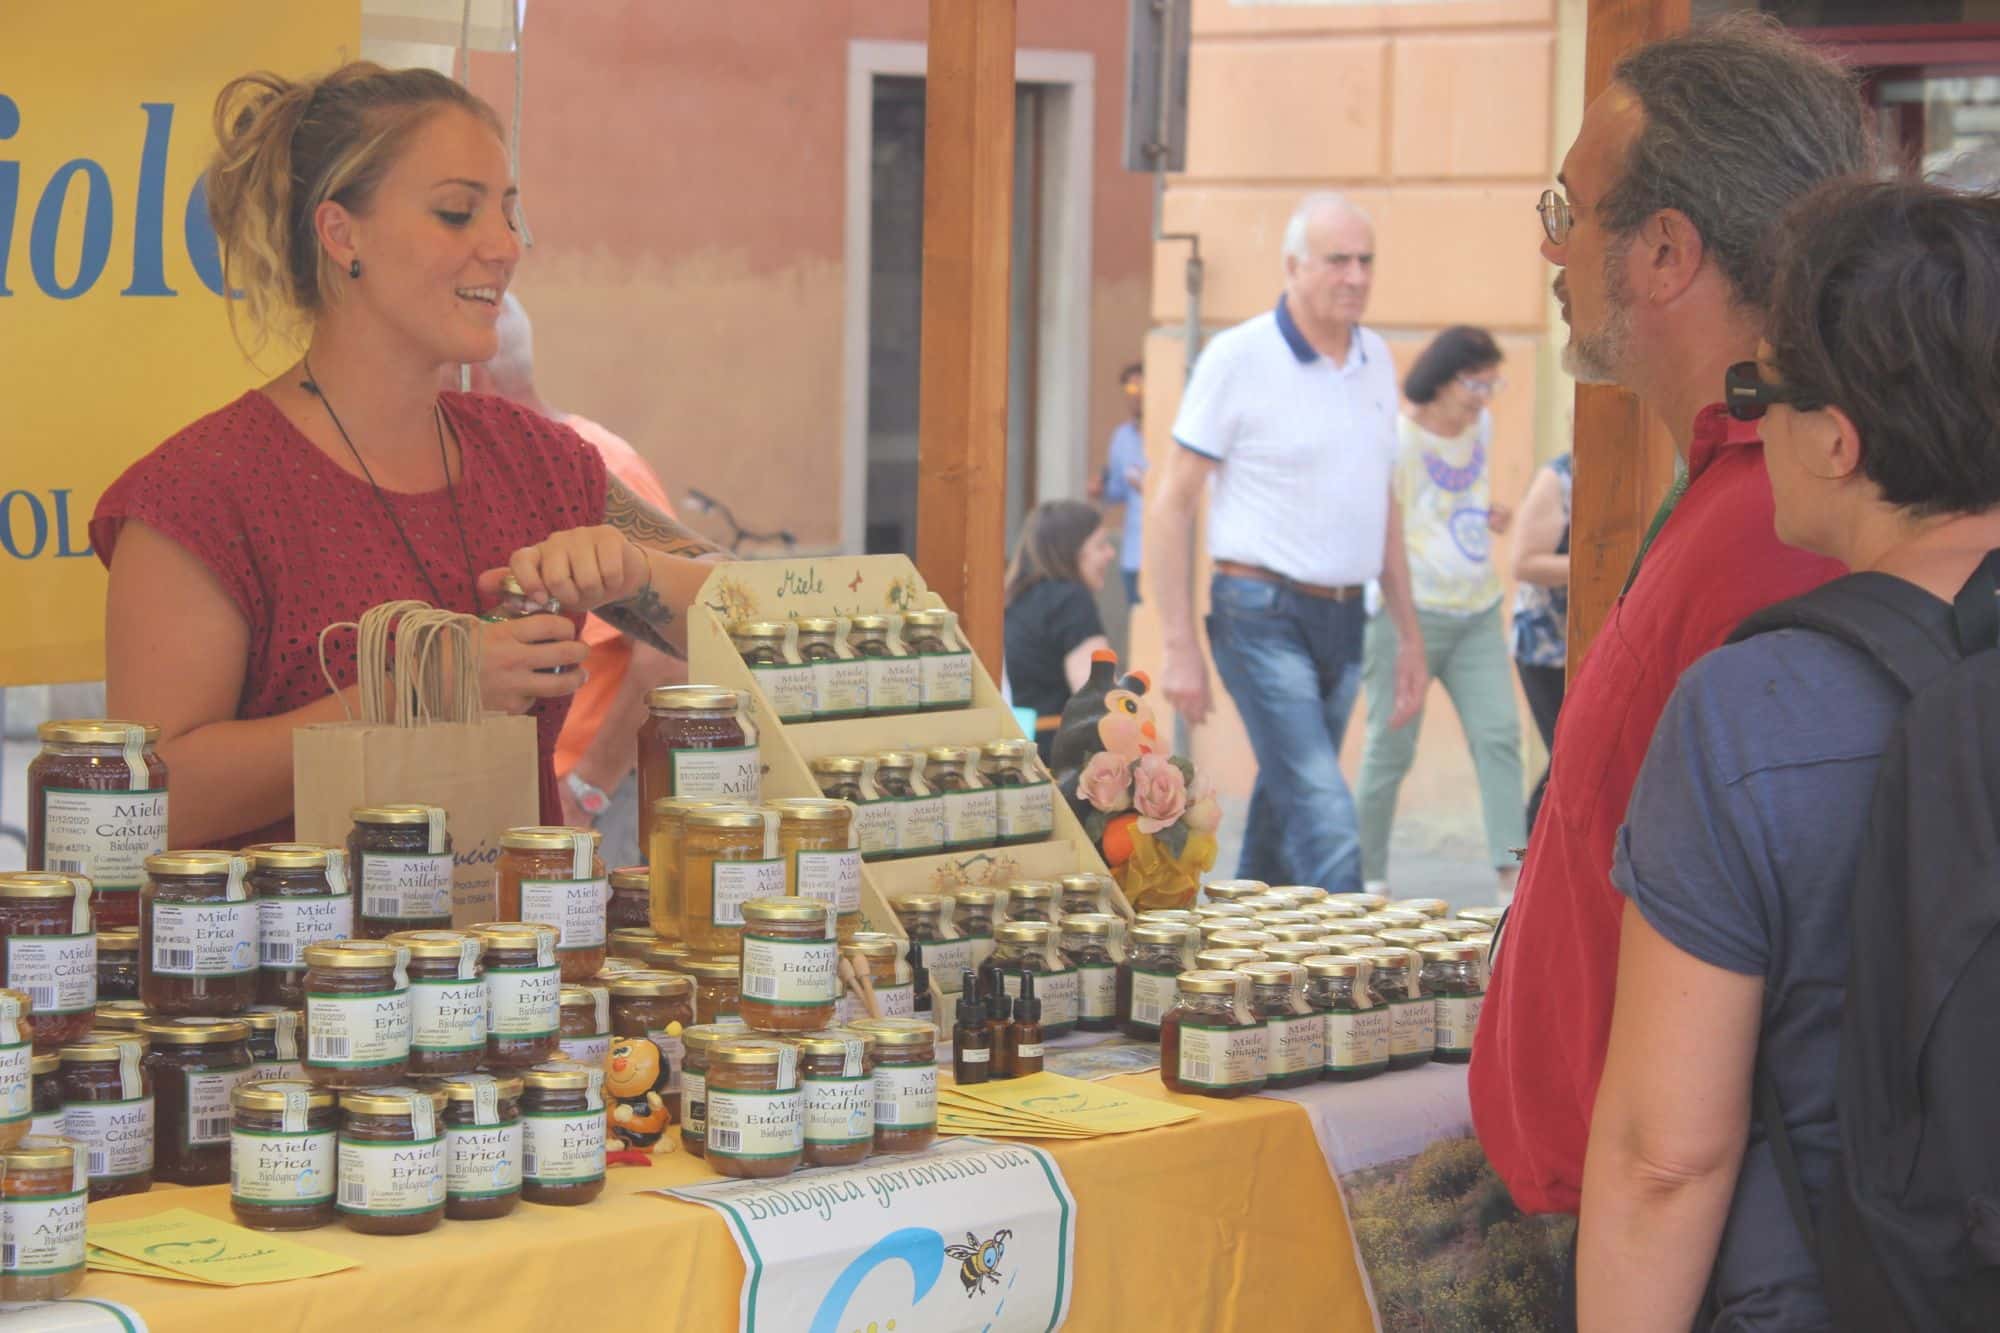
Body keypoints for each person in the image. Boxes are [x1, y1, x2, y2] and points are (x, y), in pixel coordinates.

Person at [91, 62, 724, 850]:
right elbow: (147, 806)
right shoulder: (203, 493)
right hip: (300, 968)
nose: (504, 247)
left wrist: (635, 570)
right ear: (340, 233)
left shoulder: (539, 462)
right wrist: (416, 694)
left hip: (519, 963)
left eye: (508, 214)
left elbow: (764, 626)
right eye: (457, 213)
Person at [1469, 16, 1869, 1235]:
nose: (1546, 243)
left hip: (1663, 1233)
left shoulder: (1778, 523)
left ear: (1661, 249)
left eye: (1565, 207)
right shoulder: (1743, 488)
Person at [1579, 178, 2000, 1332]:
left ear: (1835, 437)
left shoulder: (1747, 711)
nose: (1747, 424)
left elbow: (1664, 1157)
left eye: (1759, 390)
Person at [1147, 191, 1427, 892]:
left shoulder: (1378, 359)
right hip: (1257, 611)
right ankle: (1353, 979)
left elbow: (1382, 505)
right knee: (1324, 810)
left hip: (1345, 616)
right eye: (1338, 261)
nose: (1356, 276)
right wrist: (1179, 644)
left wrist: (1411, 637)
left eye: (1366, 261)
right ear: (1293, 267)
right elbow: (1172, 503)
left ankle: (1241, 957)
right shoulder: (1237, 356)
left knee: (1282, 810)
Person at [466, 294, 687, 867]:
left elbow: (669, 660)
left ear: (477, 375)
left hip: (592, 801)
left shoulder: (591, 465)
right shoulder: (489, 470)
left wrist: (588, 786)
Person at [1355, 326, 1524, 900]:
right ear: (1445, 379)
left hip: (1477, 607)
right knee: (1390, 745)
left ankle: (1512, 875)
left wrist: (1491, 516)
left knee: (1500, 735)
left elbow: (1459, 500)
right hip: (1411, 614)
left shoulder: (1484, 427)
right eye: (1476, 382)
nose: (1484, 395)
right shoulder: (1399, 439)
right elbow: (1389, 526)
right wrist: (1402, 622)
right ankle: (1368, 877)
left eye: (1491, 383)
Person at [1002, 500, 1116, 761]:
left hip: (1021, 753)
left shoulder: (1015, 599)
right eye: (1100, 545)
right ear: (1071, 551)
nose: (1110, 554)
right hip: (1062, 760)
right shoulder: (1072, 601)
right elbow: (1096, 696)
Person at [1510, 450, 1572, 832]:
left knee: (1571, 759)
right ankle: (1530, 856)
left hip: (1587, 644)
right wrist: (1601, 559)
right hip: (1544, 648)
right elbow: (1524, 562)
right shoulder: (1558, 479)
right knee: (1567, 757)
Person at [1098, 363, 1147, 608]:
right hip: (1132, 554)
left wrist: (1149, 486)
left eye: (1142, 387)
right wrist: (1102, 489)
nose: (1137, 395)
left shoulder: (1171, 434)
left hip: (1162, 554)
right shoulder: (1122, 437)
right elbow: (1117, 491)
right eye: (1130, 389)